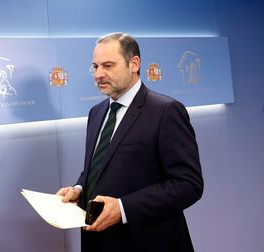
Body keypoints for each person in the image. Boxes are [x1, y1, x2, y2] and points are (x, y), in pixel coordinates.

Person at [57, 32, 203, 252]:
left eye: (108, 65)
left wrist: (123, 209)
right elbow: (98, 168)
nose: (99, 74)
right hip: (97, 241)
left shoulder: (166, 111)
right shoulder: (96, 113)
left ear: (134, 63)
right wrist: (79, 188)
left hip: (148, 243)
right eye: (95, 67)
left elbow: (188, 185)